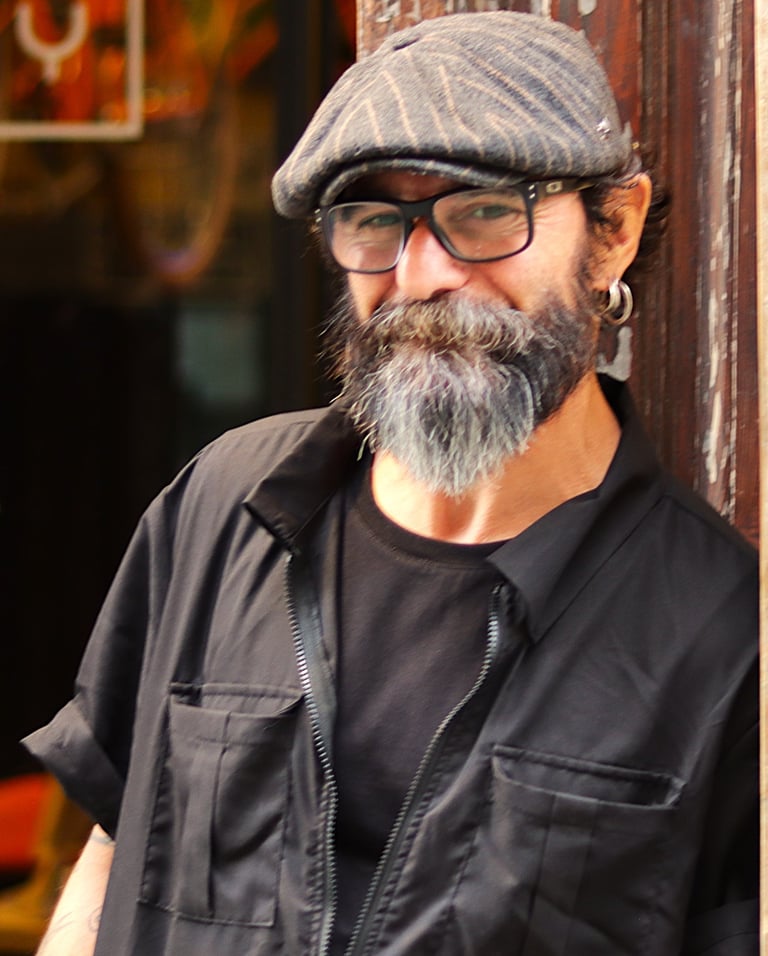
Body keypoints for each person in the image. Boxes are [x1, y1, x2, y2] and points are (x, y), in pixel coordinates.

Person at [25, 11, 758, 956]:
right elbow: (113, 848)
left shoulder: (722, 630)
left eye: (485, 211)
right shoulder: (224, 505)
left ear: (611, 230)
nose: (423, 272)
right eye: (375, 220)